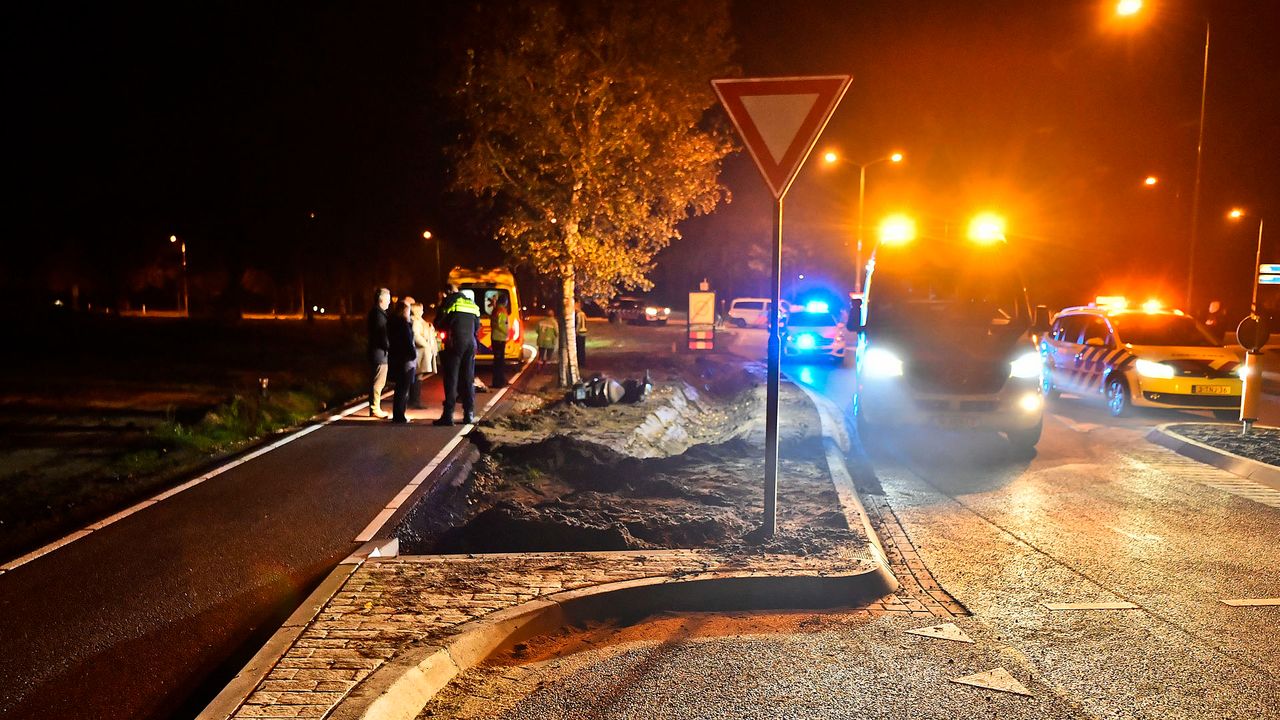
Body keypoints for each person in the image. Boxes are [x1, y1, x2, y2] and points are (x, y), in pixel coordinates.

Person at [435, 283, 481, 426]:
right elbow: (477, 325)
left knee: (451, 378)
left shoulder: (449, 302)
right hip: (471, 344)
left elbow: (439, 323)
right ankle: (469, 414)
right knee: (467, 378)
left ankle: (448, 415)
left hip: (455, 343)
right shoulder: (471, 303)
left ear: (447, 292)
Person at [387, 299, 417, 423]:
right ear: (404, 311)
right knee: (403, 388)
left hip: (397, 358)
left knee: (400, 388)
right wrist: (413, 354)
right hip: (405, 359)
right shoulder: (403, 325)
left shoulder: (392, 323)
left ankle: (398, 414)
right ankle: (400, 415)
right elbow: (408, 341)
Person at [366, 288, 391, 418]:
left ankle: (375, 407)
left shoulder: (377, 313)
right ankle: (375, 408)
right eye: (388, 299)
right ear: (382, 299)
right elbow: (382, 335)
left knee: (377, 381)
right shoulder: (378, 315)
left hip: (377, 352)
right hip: (379, 353)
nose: (389, 302)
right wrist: (389, 347)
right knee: (378, 382)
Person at [409, 300, 433, 408]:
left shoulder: (418, 321)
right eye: (421, 309)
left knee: (417, 376)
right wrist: (426, 345)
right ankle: (415, 401)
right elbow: (416, 336)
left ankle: (414, 400)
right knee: (417, 376)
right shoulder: (416, 322)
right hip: (419, 352)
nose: (423, 311)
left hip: (420, 352)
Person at [491, 296, 510, 388]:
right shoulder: (501, 311)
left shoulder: (496, 310)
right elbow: (501, 325)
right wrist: (507, 333)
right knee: (500, 362)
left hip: (496, 338)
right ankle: (499, 382)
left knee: (498, 361)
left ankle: (500, 380)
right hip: (499, 338)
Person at [574, 300, 588, 368]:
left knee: (579, 348)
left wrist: (576, 332)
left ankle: (580, 362)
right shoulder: (583, 314)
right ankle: (582, 362)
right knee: (582, 348)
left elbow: (579, 323)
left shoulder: (579, 314)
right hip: (584, 332)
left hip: (580, 332)